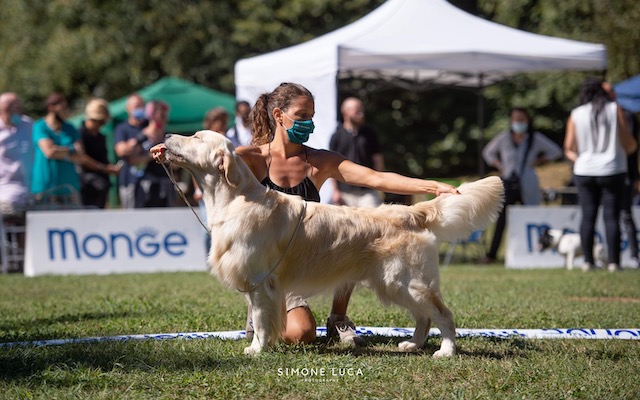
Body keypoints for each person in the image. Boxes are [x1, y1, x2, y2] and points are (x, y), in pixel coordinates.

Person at [151, 82, 460, 346]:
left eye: (311, 116)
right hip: (271, 268)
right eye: (301, 116)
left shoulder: (320, 160)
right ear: (279, 116)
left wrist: (431, 186)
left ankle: (338, 318)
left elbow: (375, 178)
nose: (309, 123)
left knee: (350, 237)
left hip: (312, 260)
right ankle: (262, 318)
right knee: (300, 334)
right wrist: (173, 155)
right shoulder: (250, 158)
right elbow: (210, 169)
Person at [564, 78, 637, 272]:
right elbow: (629, 143)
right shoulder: (615, 110)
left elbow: (569, 148)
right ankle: (614, 262)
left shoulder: (577, 113)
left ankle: (588, 261)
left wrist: (583, 159)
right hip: (612, 169)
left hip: (584, 171)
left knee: (588, 217)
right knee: (611, 217)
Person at [482, 107, 563, 263]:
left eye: (521, 119)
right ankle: (492, 255)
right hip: (508, 182)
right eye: (515, 119)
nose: (518, 123)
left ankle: (535, 251)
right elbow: (488, 152)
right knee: (502, 219)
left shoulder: (534, 138)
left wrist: (539, 161)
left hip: (527, 183)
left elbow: (555, 151)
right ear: (511, 121)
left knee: (532, 216)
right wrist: (499, 165)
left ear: (527, 120)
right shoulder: (504, 138)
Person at [31, 93, 112, 206]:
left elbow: (80, 155)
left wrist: (59, 151)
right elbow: (49, 152)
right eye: (63, 107)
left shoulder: (70, 128)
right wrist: (71, 150)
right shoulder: (40, 126)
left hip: (70, 189)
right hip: (45, 189)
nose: (66, 111)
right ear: (51, 107)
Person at [602, 82, 640, 268]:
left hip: (621, 171)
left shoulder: (625, 115)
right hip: (600, 172)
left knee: (625, 214)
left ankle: (633, 256)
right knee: (606, 216)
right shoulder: (588, 114)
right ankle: (604, 257)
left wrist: (635, 176)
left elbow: (632, 148)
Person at [330, 97, 384, 208]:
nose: (361, 114)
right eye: (357, 110)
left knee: (372, 218)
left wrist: (379, 184)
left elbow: (377, 159)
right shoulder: (337, 136)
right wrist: (335, 191)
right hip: (345, 192)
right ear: (346, 112)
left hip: (367, 191)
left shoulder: (369, 133)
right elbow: (330, 165)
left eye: (361, 110)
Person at [78, 99, 121, 208]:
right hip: (85, 185)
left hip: (101, 185)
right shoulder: (79, 135)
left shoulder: (100, 137)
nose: (103, 124)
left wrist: (110, 168)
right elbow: (82, 158)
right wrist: (103, 168)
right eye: (101, 121)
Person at [134, 100, 174, 208]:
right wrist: (151, 156)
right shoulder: (142, 137)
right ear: (151, 115)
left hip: (165, 184)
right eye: (162, 115)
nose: (165, 118)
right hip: (145, 185)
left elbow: (175, 165)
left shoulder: (168, 137)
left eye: (165, 115)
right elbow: (133, 161)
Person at [0, 92, 33, 222]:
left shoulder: (28, 124)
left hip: (30, 190)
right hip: (5, 190)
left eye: (18, 107)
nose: (16, 111)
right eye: (11, 108)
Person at [114, 94, 147, 208]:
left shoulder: (149, 126)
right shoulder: (122, 128)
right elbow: (121, 151)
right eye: (136, 106)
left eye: (141, 106)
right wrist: (138, 140)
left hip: (149, 180)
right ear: (128, 109)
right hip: (128, 181)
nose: (139, 109)